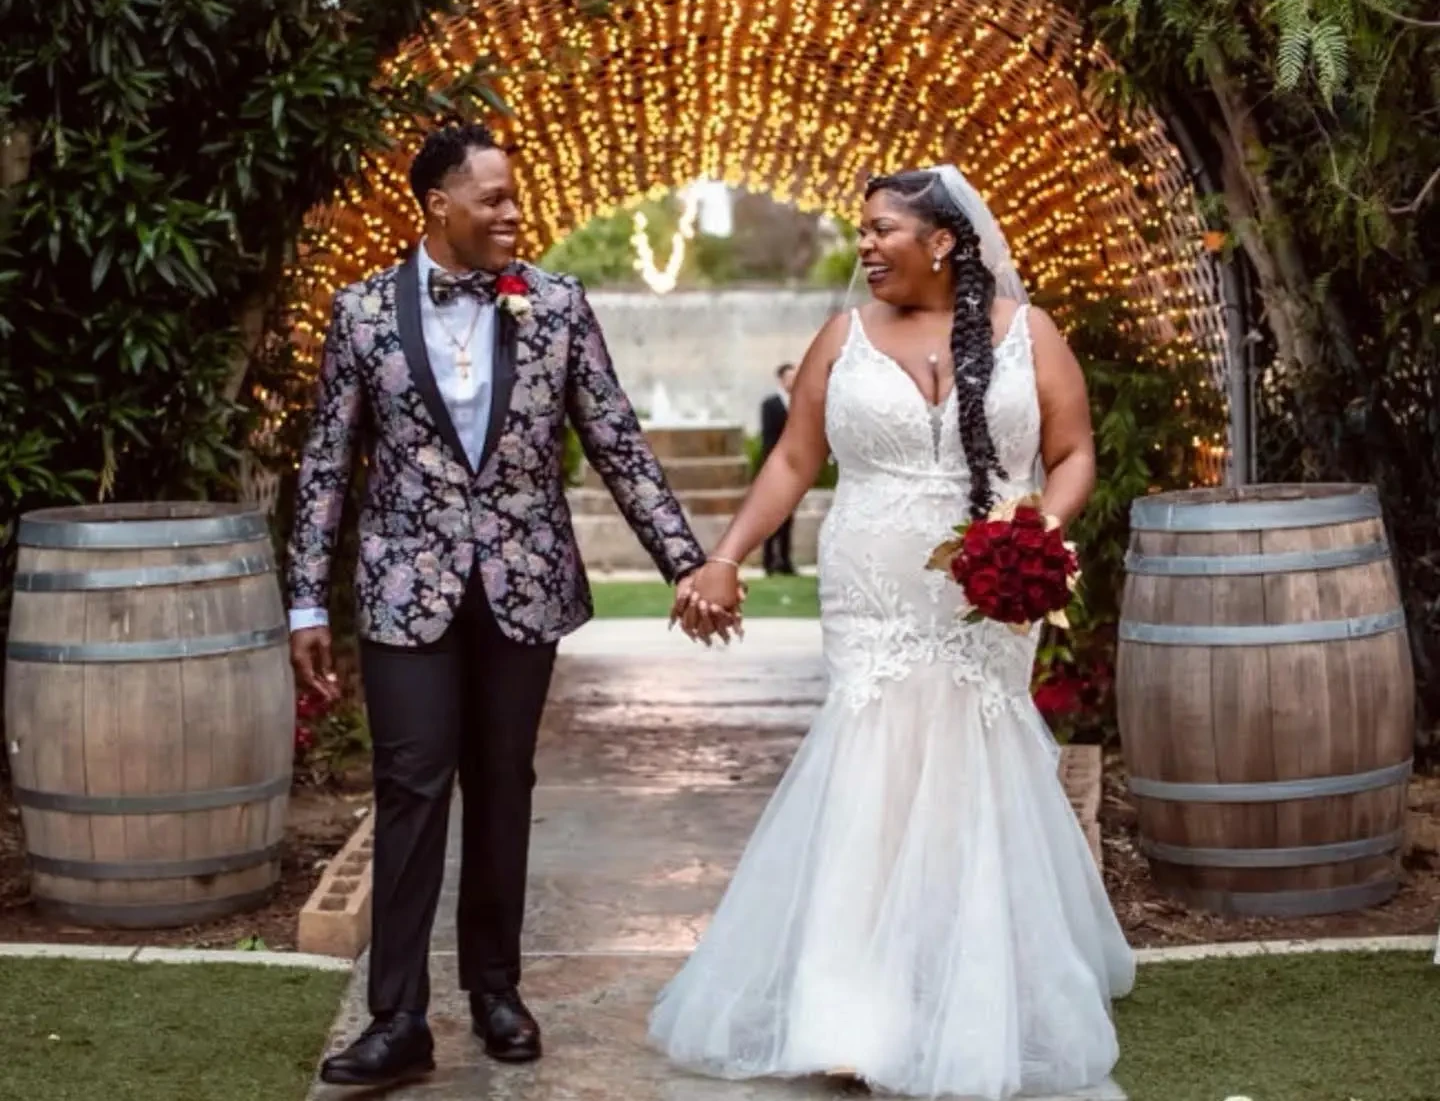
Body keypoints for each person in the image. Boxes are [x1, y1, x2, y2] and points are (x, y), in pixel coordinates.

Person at [657, 164, 1135, 1100]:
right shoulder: (842, 336)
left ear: (944, 243)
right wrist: (726, 556)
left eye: (883, 230)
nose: (866, 246)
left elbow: (1074, 450)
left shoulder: (1028, 333)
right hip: (872, 586)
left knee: (972, 757)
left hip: (989, 584)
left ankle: (977, 985)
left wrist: (1035, 526)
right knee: (874, 761)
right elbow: (796, 458)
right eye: (863, 231)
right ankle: (851, 1006)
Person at [288, 122, 713, 1088]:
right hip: (406, 587)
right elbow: (324, 467)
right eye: (493, 198)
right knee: (410, 786)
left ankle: (495, 990)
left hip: (525, 585)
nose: (513, 212)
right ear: (438, 204)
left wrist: (685, 561)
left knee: (503, 784)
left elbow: (618, 440)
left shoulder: (557, 304)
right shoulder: (360, 314)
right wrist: (305, 599)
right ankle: (398, 1017)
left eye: (514, 195)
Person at [759, 363, 798, 576]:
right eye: (790, 377)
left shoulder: (799, 403)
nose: (794, 381)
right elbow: (768, 439)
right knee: (771, 517)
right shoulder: (770, 404)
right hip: (776, 470)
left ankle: (786, 561)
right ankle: (769, 561)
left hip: (794, 469)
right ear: (781, 380)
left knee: (788, 517)